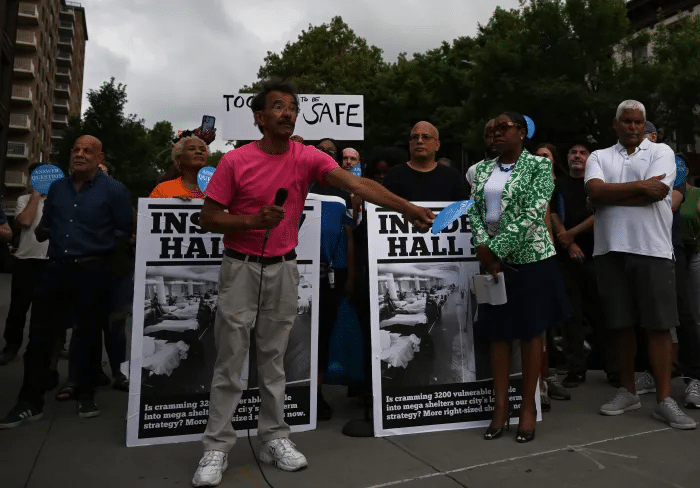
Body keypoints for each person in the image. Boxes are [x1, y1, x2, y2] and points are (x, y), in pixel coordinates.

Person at [192, 78, 434, 487]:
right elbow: (208, 217)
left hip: (285, 268)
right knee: (230, 360)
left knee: (274, 359)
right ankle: (216, 448)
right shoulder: (236, 162)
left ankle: (274, 437)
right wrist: (251, 221)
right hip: (241, 267)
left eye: (292, 106)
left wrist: (406, 207)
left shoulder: (306, 157)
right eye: (278, 106)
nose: (288, 112)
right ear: (259, 117)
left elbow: (357, 184)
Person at [0, 135, 133, 428]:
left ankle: (86, 393)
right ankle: (29, 401)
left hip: (93, 271)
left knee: (86, 336)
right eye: (76, 149)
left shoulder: (115, 191)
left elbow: (126, 229)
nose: (80, 154)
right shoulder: (57, 188)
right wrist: (45, 231)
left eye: (88, 150)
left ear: (100, 157)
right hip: (55, 268)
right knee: (39, 336)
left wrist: (101, 249)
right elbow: (45, 225)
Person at [585, 100, 696, 429]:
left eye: (638, 122)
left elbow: (656, 193)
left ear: (645, 124)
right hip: (609, 250)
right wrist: (635, 189)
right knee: (621, 325)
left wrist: (606, 196)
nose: (633, 127)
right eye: (627, 122)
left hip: (653, 249)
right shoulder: (598, 156)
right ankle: (628, 390)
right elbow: (593, 189)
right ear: (616, 123)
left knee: (659, 325)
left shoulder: (661, 151)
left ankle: (664, 398)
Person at [468, 111, 566, 443]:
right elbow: (476, 212)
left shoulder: (539, 166)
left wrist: (495, 249)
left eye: (502, 128)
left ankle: (527, 408)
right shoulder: (481, 169)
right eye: (490, 130)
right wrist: (482, 244)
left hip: (531, 262)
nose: (494, 134)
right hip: (492, 264)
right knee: (498, 335)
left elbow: (533, 212)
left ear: (521, 132)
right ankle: (500, 408)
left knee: (529, 335)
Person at [533, 143, 571, 411]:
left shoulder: (557, 186)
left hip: (545, 258)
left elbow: (550, 218)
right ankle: (534, 383)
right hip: (517, 257)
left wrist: (550, 251)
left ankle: (545, 381)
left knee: (545, 325)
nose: (541, 160)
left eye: (546, 156)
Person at [0, 164, 48, 366]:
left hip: (49, 263)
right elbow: (26, 222)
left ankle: (36, 351)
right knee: (17, 310)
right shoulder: (23, 199)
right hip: (25, 261)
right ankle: (11, 347)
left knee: (43, 312)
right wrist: (36, 195)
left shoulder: (59, 201)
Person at [383, 121, 467, 201]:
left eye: (426, 137)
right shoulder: (394, 175)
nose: (419, 141)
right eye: (415, 137)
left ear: (437, 145)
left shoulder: (452, 177)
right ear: (410, 143)